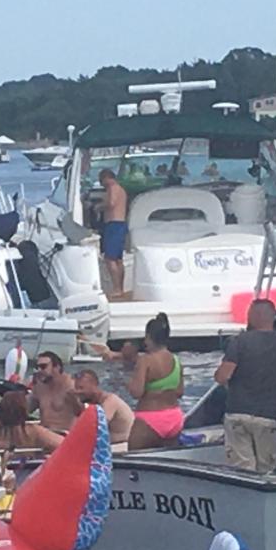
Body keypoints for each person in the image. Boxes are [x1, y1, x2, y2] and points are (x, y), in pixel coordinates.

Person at [214, 299, 276, 473]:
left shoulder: (240, 342)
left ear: (253, 315)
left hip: (238, 412)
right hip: (268, 415)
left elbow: (223, 376)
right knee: (267, 469)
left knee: (242, 470)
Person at [127, 313, 184, 449]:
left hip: (150, 419)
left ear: (149, 337)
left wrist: (128, 384)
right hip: (174, 417)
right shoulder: (176, 360)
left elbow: (137, 392)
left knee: (133, 460)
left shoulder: (145, 360)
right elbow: (180, 392)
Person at [74, 369, 134, 453]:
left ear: (94, 386)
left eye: (81, 388)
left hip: (121, 447)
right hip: (110, 446)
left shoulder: (110, 401)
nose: (77, 392)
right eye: (76, 388)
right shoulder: (93, 404)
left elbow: (97, 427)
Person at [30, 350, 83, 432]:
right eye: (37, 367)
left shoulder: (72, 385)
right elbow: (25, 409)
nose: (39, 370)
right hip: (45, 434)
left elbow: (83, 414)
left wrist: (75, 401)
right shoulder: (39, 387)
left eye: (43, 367)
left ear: (57, 367)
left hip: (65, 435)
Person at [95, 169, 128, 299]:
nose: (102, 184)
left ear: (107, 178)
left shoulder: (113, 188)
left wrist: (99, 207)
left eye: (102, 180)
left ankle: (117, 288)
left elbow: (111, 203)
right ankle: (120, 287)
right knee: (118, 259)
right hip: (120, 224)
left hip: (114, 224)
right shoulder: (121, 189)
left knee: (110, 259)